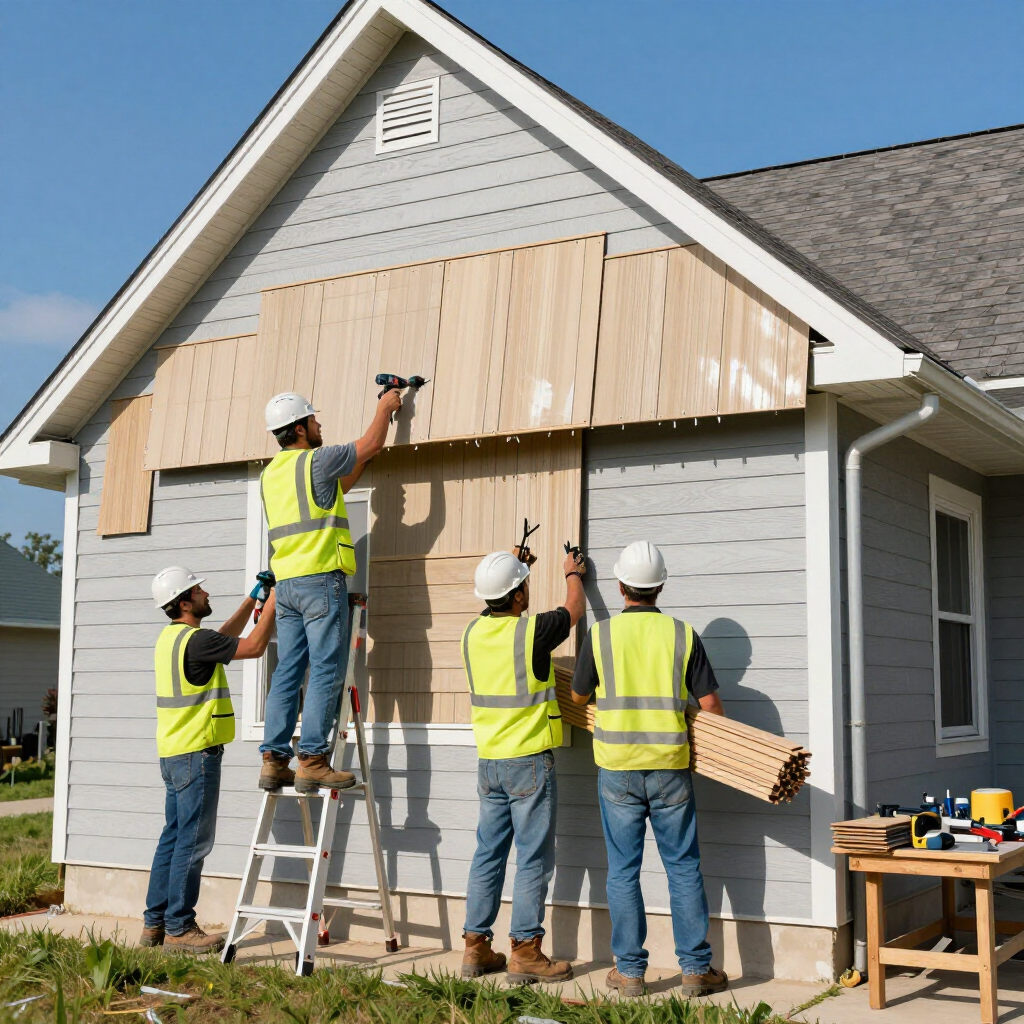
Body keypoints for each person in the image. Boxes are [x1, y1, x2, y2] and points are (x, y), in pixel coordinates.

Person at [570, 540, 728, 998]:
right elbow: (712, 707)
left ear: (620, 586)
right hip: (669, 768)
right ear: (660, 586)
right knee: (683, 868)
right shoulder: (682, 633)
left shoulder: (600, 636)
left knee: (623, 870)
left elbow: (579, 697)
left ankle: (631, 973)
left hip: (617, 768)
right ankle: (697, 969)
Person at [258, 389, 401, 793]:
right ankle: (314, 759)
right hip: (320, 580)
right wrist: (385, 409)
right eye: (315, 420)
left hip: (286, 587)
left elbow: (334, 492)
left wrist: (365, 458)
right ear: (300, 428)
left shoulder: (271, 475)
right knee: (324, 668)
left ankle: (274, 760)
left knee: (287, 670)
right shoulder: (316, 460)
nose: (320, 425)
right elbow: (370, 442)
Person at [460, 544, 587, 983]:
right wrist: (572, 572)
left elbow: (498, 607)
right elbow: (572, 610)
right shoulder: (532, 631)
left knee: (488, 856)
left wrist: (516, 568)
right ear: (517, 597)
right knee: (533, 859)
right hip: (528, 763)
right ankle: (527, 953)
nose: (527, 591)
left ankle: (476, 948)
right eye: (524, 587)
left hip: (490, 763)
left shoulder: (472, 633)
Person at [143, 566, 278, 953]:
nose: (205, 592)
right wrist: (278, 601)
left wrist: (254, 599)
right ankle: (180, 928)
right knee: (193, 842)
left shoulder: (172, 638)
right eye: (198, 590)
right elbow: (252, 646)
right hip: (197, 753)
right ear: (185, 603)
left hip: (173, 752)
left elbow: (221, 638)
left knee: (172, 839)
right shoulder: (197, 641)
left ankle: (154, 924)